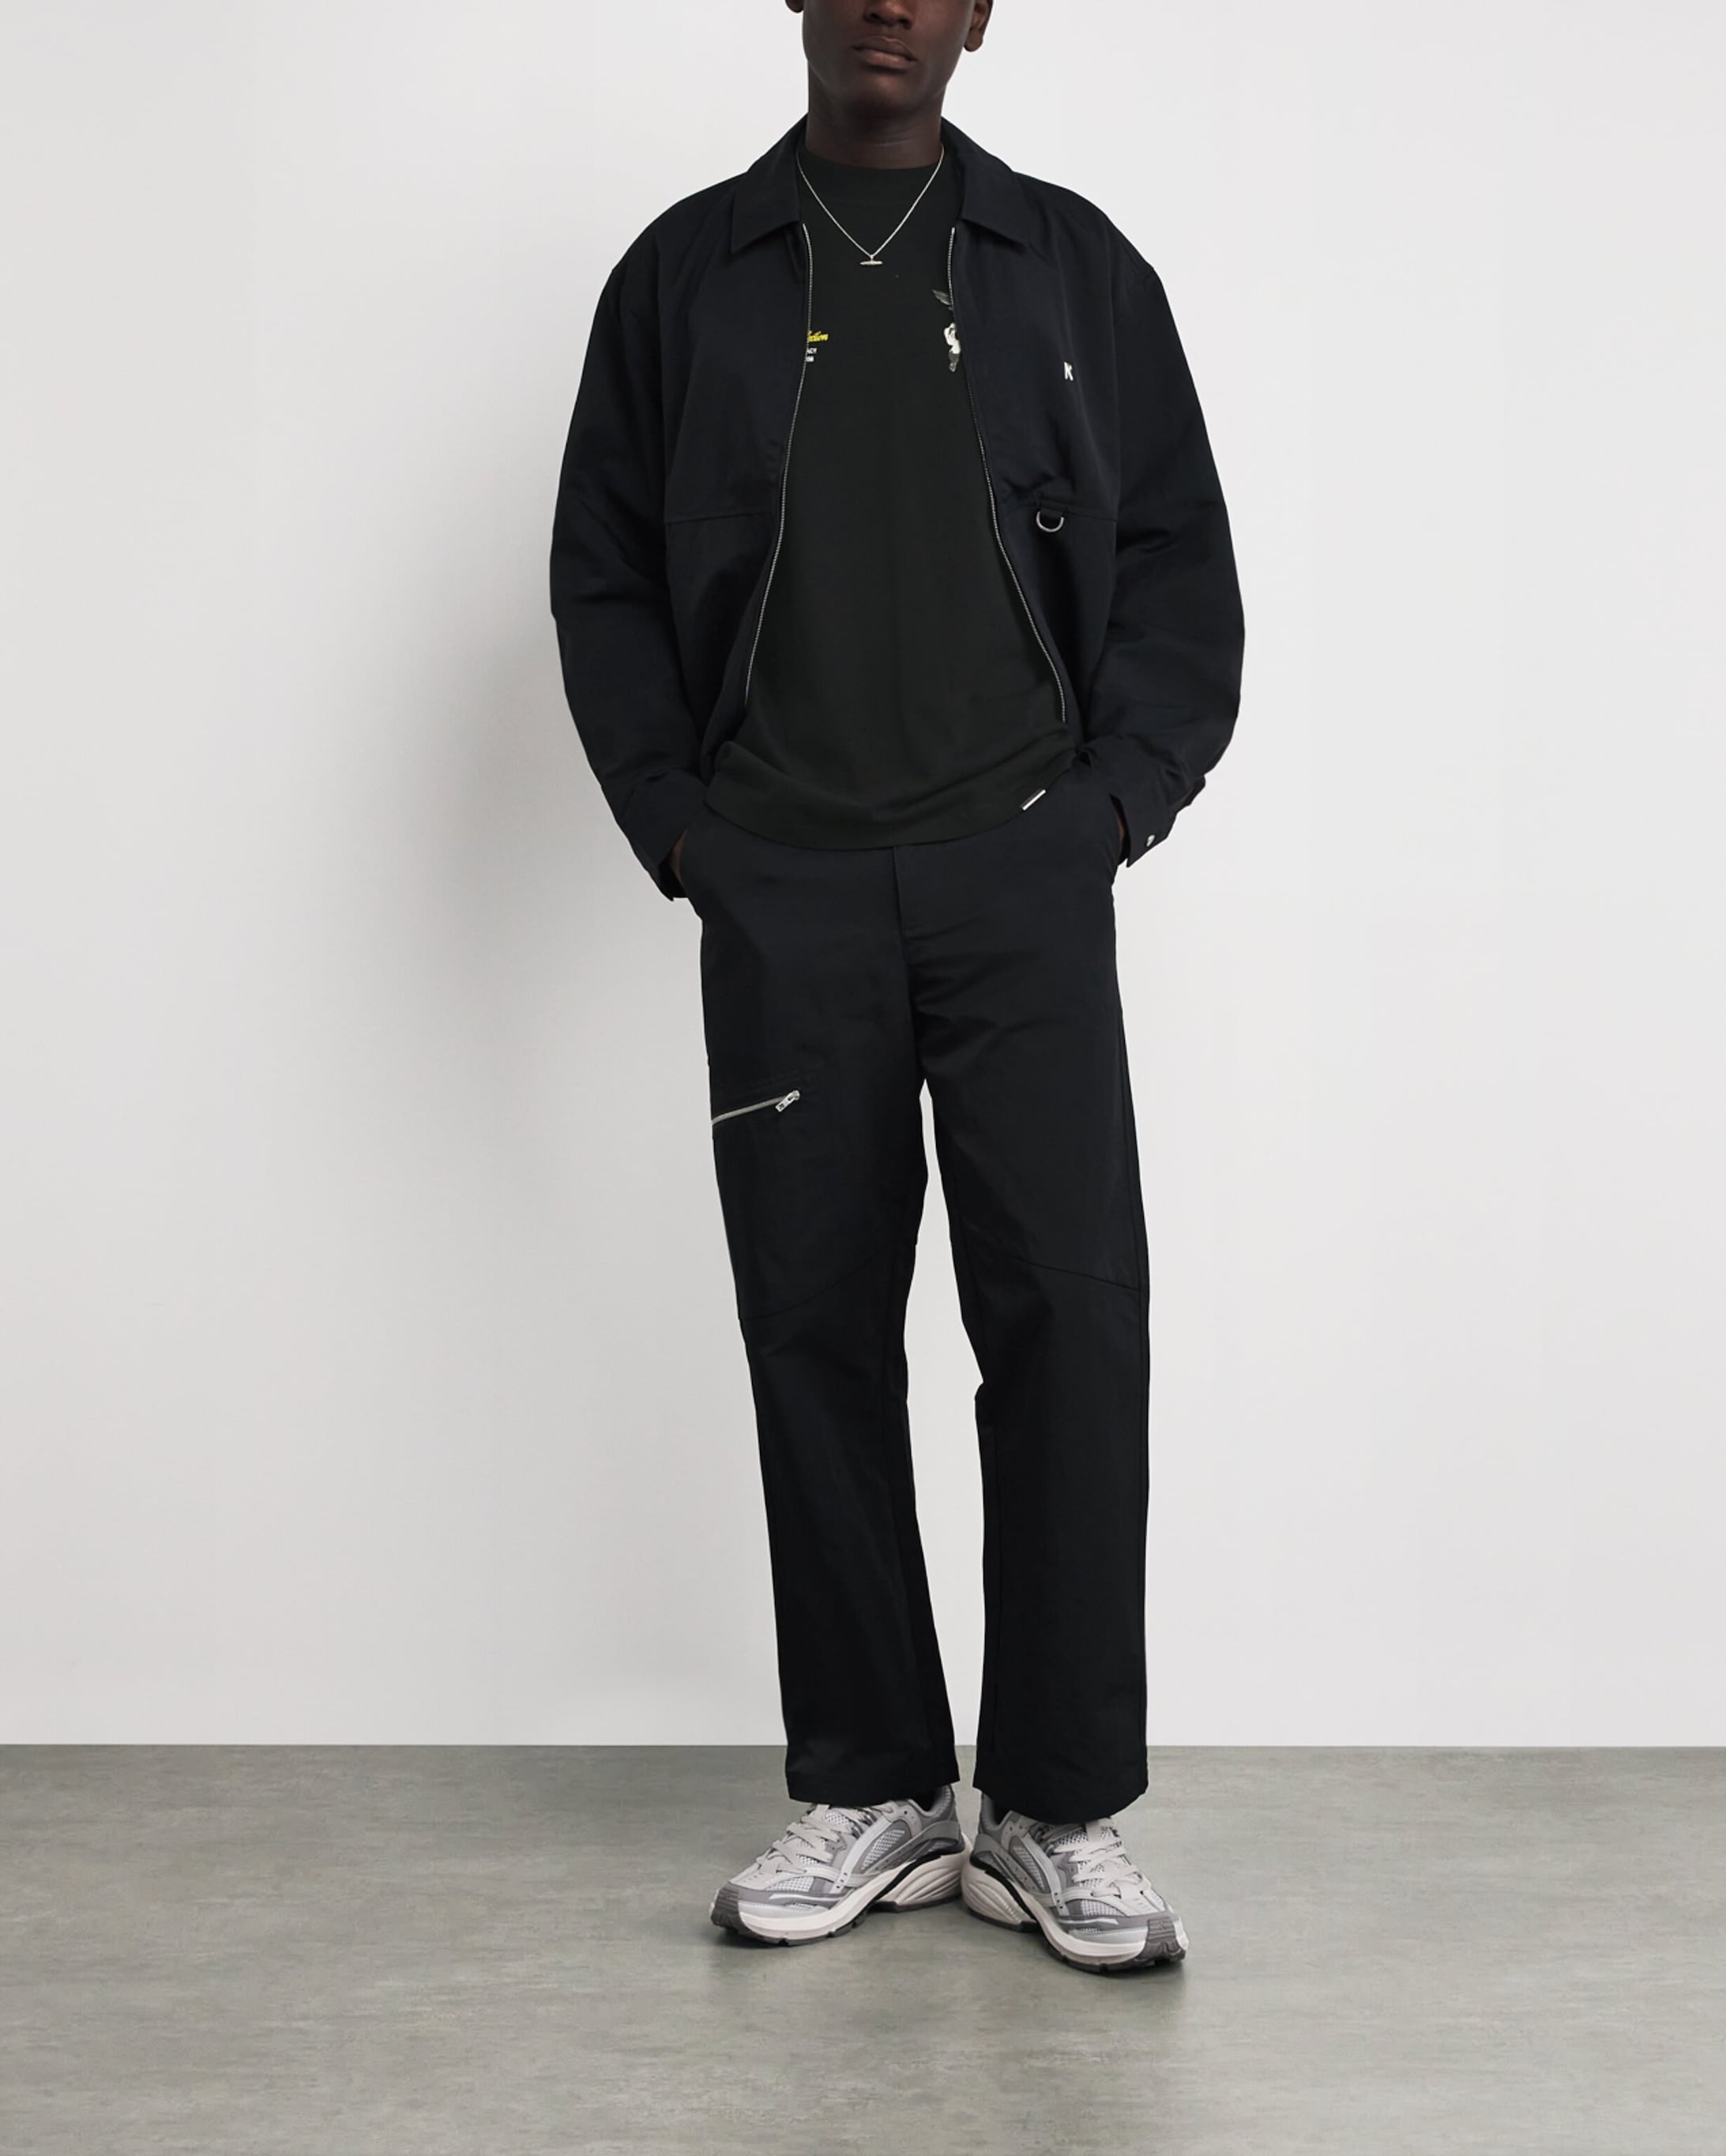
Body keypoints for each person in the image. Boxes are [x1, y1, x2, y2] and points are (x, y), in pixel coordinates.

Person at [549, 0, 1242, 1974]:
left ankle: (1055, 1810)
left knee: (1071, 1323)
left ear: (978, 13)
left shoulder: (1074, 270)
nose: (887, 4)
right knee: (816, 1330)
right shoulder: (683, 278)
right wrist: (686, 831)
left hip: (1021, 873)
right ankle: (873, 1784)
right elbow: (603, 572)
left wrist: (1108, 812)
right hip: (785, 886)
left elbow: (1181, 559)